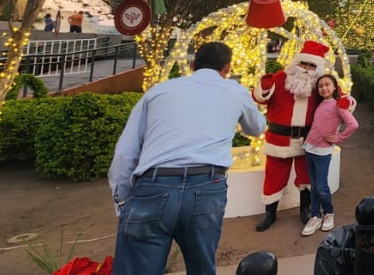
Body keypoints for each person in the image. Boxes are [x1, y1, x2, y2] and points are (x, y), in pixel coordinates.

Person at [108, 42, 265, 275]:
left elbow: (125, 153)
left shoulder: (159, 91)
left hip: (153, 185)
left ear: (192, 65)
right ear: (227, 68)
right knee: (202, 267)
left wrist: (123, 201)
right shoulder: (235, 90)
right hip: (206, 187)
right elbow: (257, 127)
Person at [252, 40, 339, 231]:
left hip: (307, 141)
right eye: (304, 64)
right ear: (296, 63)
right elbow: (260, 97)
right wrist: (264, 87)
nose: (307, 69)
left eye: (311, 65)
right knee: (274, 176)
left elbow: (338, 99)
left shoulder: (319, 84)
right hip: (278, 139)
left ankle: (305, 210)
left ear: (317, 67)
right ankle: (270, 214)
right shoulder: (281, 77)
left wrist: (347, 103)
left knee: (306, 178)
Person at [301, 75, 358, 237]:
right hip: (309, 148)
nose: (324, 88)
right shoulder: (320, 104)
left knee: (321, 186)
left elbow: (353, 124)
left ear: (334, 87)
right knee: (313, 185)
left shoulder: (338, 106)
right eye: (320, 86)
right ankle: (315, 215)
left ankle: (329, 212)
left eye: (327, 85)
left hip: (323, 152)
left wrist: (338, 137)